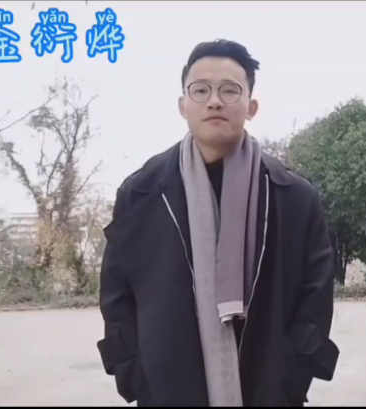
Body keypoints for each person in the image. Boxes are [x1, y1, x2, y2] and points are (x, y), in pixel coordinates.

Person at [97, 39, 340, 407]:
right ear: (183, 105)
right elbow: (117, 293)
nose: (214, 101)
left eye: (229, 90)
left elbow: (316, 295)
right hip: (166, 389)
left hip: (268, 389)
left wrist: (291, 376)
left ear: (251, 106)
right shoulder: (142, 193)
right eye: (200, 90)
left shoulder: (292, 196)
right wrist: (136, 374)